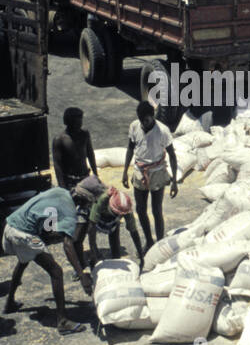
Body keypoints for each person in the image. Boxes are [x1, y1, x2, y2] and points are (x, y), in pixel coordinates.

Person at [3, 185, 93, 334]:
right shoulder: (70, 211)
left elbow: (46, 216)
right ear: (82, 200)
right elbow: (68, 245)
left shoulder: (60, 191)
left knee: (24, 259)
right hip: (24, 234)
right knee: (56, 271)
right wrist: (82, 275)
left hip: (11, 225)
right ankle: (63, 321)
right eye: (87, 203)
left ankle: (10, 302)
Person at [122, 100, 179, 246]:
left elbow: (172, 155)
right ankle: (149, 240)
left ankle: (159, 242)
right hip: (140, 171)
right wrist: (124, 172)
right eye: (142, 120)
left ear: (153, 116)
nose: (144, 123)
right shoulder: (134, 126)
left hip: (157, 173)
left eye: (146, 120)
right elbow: (130, 148)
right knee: (140, 210)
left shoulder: (163, 131)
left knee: (156, 210)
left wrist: (174, 182)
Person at [72, 177, 144, 267]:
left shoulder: (126, 208)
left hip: (105, 214)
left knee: (114, 230)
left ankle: (115, 257)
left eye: (120, 214)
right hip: (88, 208)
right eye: (115, 213)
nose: (119, 216)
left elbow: (134, 232)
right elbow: (91, 231)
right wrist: (95, 258)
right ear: (110, 206)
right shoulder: (102, 200)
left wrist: (141, 257)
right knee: (77, 239)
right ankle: (81, 265)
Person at [52, 106, 98, 191]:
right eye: (77, 120)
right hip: (69, 181)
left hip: (85, 178)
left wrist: (96, 175)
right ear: (68, 122)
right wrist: (62, 188)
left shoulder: (84, 134)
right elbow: (57, 165)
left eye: (81, 119)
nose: (80, 123)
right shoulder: (59, 139)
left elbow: (90, 155)